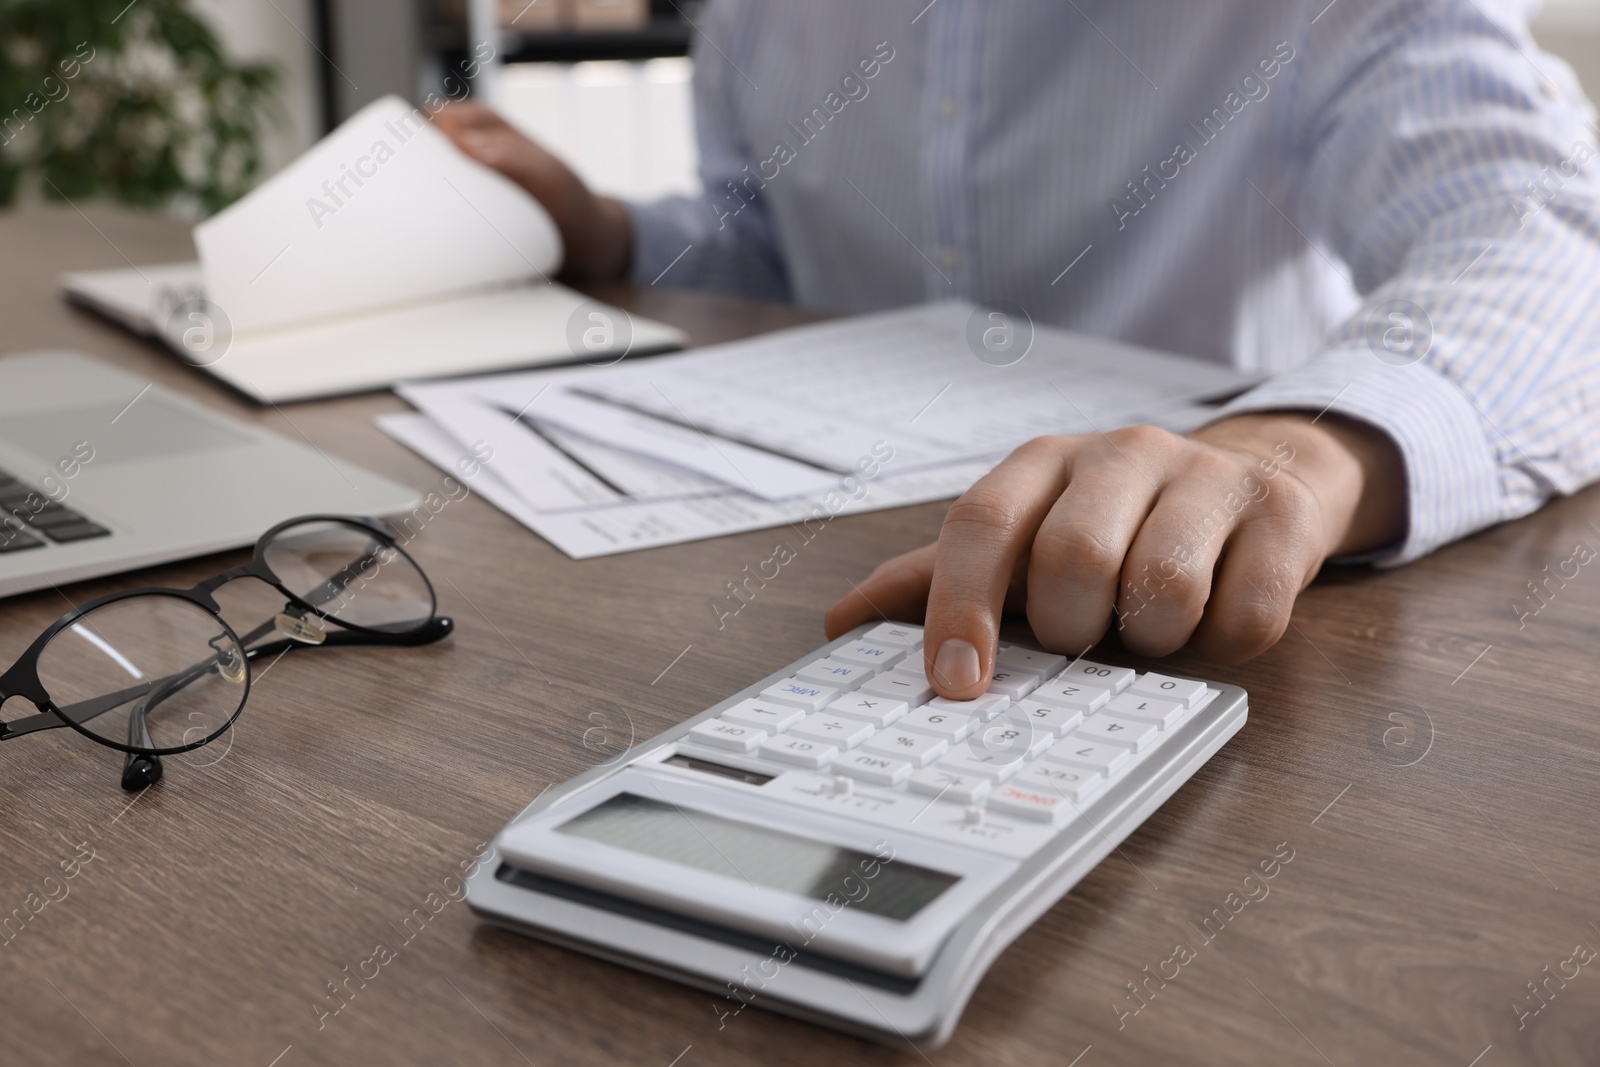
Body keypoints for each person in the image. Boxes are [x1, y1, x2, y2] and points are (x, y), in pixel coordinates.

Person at [434, 1, 1600, 700]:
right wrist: (609, 229)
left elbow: (1545, 232)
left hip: (1206, 615)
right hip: (807, 552)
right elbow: (769, 241)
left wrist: (1300, 445)